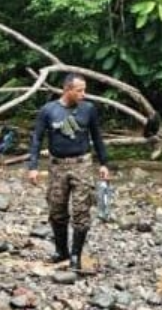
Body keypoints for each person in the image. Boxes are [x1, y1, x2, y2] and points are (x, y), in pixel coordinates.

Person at [27, 73, 109, 272]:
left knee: (81, 210)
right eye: (79, 90)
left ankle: (75, 255)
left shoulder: (88, 109)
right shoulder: (49, 110)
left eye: (84, 90)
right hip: (57, 166)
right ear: (67, 90)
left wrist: (104, 163)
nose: (83, 94)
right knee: (57, 210)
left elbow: (97, 137)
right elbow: (37, 139)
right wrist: (33, 166)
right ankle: (61, 251)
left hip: (81, 163)